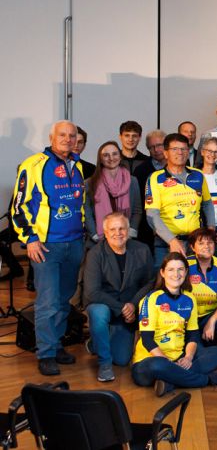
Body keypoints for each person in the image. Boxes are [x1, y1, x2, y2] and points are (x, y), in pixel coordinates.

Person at [12, 121, 87, 376]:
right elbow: (19, 207)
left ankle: (55, 345)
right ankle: (44, 354)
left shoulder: (76, 165)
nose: (67, 139)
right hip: (46, 246)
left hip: (75, 243)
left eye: (72, 136)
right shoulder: (32, 165)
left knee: (64, 301)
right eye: (62, 135)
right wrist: (30, 239)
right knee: (47, 303)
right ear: (51, 137)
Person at [131, 253, 217, 397]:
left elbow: (193, 335)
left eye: (180, 269)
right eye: (171, 269)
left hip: (179, 357)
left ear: (186, 272)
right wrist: (167, 363)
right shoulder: (150, 299)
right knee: (157, 366)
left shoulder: (189, 298)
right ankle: (207, 380)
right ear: (162, 272)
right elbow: (147, 339)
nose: (176, 274)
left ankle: (170, 382)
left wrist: (188, 357)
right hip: (151, 361)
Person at [83, 212, 156, 381]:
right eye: (113, 229)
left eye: (122, 228)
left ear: (128, 230)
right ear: (105, 232)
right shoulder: (95, 254)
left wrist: (133, 304)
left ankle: (96, 342)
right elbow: (92, 292)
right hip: (105, 304)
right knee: (98, 313)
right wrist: (122, 307)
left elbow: (150, 282)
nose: (118, 233)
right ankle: (104, 364)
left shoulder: (142, 250)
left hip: (130, 309)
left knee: (122, 359)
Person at [145, 133, 214, 263]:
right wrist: (172, 240)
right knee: (166, 281)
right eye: (175, 149)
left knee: (195, 281)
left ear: (188, 152)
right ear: (166, 153)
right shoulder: (155, 178)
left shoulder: (198, 175)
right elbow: (152, 214)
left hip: (196, 242)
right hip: (165, 243)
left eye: (184, 149)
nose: (180, 153)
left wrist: (211, 229)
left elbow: (207, 203)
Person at [85, 141, 142, 244]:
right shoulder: (90, 183)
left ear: (120, 157)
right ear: (100, 159)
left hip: (125, 238)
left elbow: (137, 210)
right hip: (99, 241)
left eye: (115, 154)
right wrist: (94, 235)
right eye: (106, 155)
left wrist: (131, 233)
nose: (111, 158)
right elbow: (87, 213)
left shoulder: (132, 181)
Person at [199, 137, 217, 236]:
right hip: (200, 227)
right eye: (209, 151)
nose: (212, 154)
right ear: (202, 152)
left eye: (216, 152)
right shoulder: (193, 176)